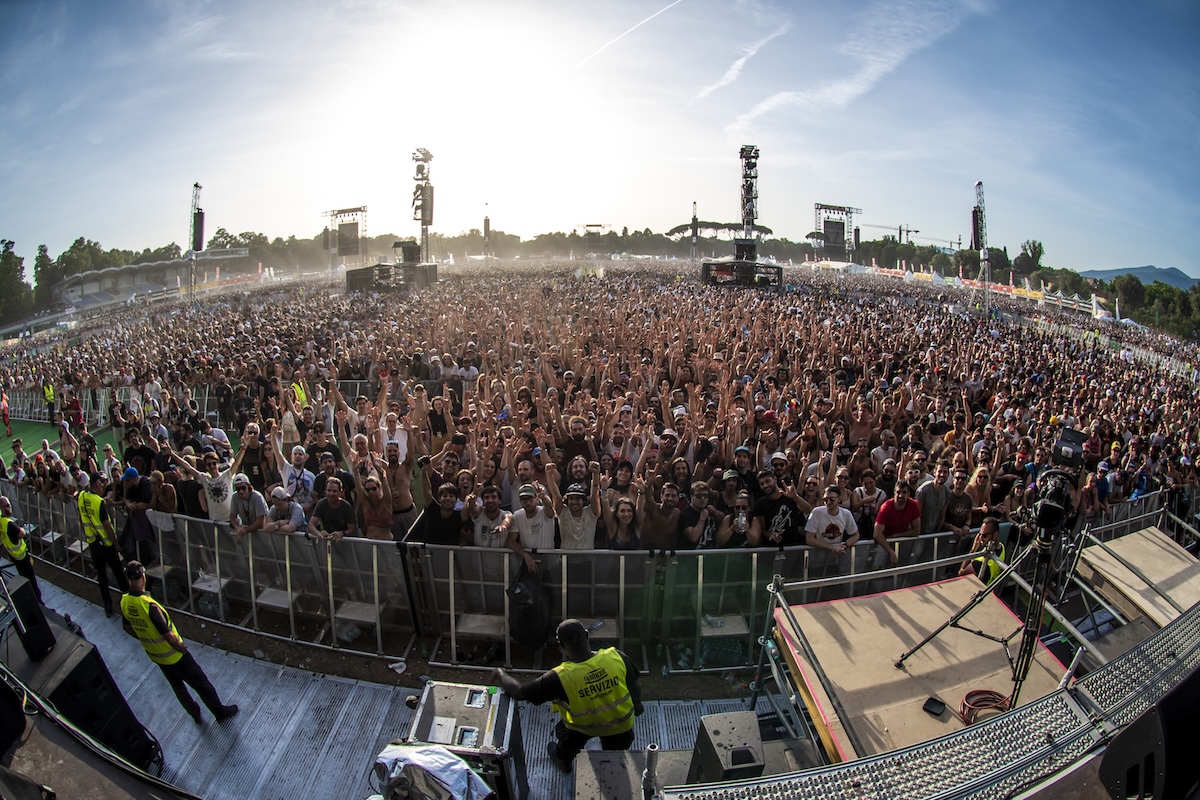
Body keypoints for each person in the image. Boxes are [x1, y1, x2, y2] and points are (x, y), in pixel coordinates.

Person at [493, 618, 642, 773]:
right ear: (586, 634)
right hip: (620, 725)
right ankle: (614, 764)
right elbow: (634, 687)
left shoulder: (560, 677)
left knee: (566, 734)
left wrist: (500, 674)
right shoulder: (616, 657)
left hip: (582, 727)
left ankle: (563, 759)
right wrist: (637, 707)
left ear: (561, 647)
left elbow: (519, 692)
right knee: (616, 752)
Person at [120, 560, 238, 723]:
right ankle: (220, 713)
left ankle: (194, 714)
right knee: (201, 683)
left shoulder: (125, 601)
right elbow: (169, 636)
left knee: (178, 687)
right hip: (175, 655)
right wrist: (181, 648)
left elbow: (127, 628)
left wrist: (147, 637)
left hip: (156, 656)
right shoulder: (149, 606)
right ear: (143, 576)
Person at [77, 473, 129, 617]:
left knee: (102, 576)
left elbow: (81, 518)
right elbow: (107, 526)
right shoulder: (99, 502)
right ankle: (129, 604)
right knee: (119, 575)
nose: (105, 485)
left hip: (92, 543)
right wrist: (116, 544)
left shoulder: (81, 496)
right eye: (103, 482)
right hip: (106, 544)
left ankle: (108, 605)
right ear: (96, 483)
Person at [0, 496, 43, 604]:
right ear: (2, 508)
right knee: (31, 580)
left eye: (9, 505)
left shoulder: (1, 520)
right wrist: (22, 529)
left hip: (13, 556)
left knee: (24, 577)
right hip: (22, 556)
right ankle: (38, 602)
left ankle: (33, 599)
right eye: (7, 506)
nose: (10, 507)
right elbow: (22, 533)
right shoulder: (9, 524)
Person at [958, 516, 1007, 584]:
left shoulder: (980, 563)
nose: (980, 538)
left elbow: (961, 572)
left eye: (984, 535)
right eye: (979, 534)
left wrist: (973, 549)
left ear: (995, 534)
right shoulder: (1001, 547)